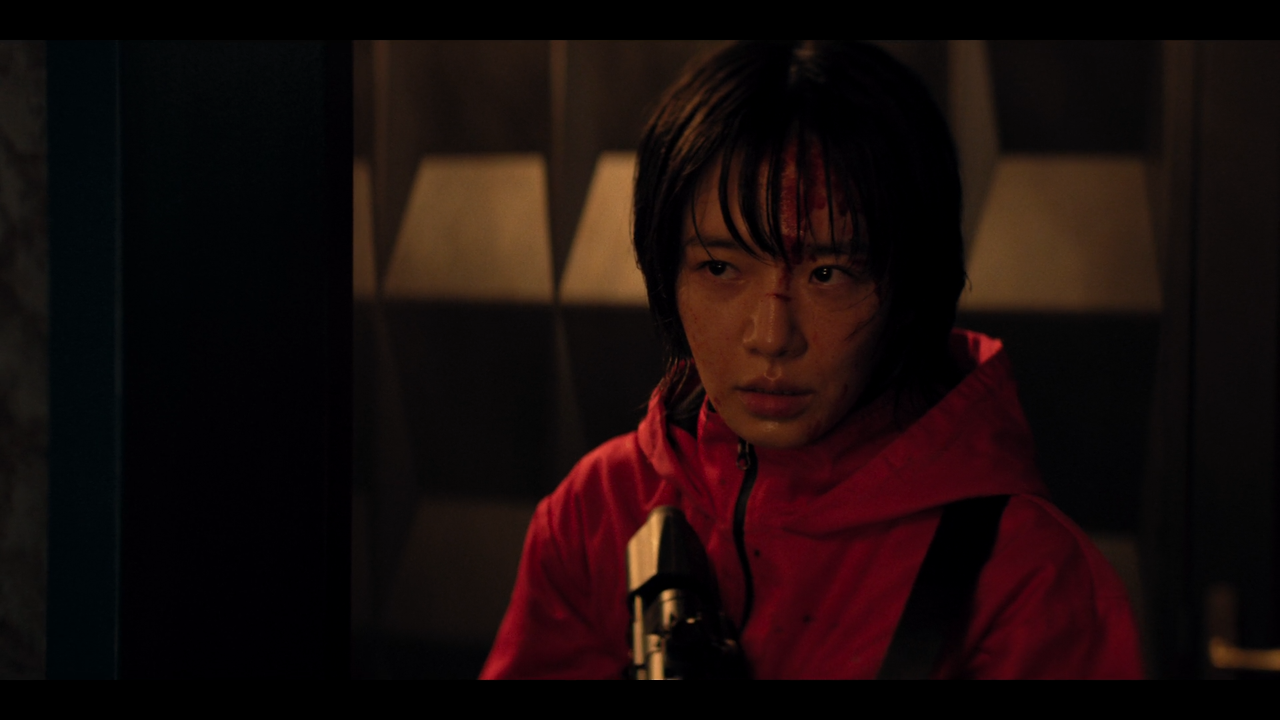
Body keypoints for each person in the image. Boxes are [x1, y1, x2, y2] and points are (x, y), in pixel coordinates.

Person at [480, 41, 1144, 679]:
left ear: (910, 289)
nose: (772, 336)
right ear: (665, 272)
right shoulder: (600, 513)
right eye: (720, 268)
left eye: (828, 274)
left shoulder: (1023, 578)